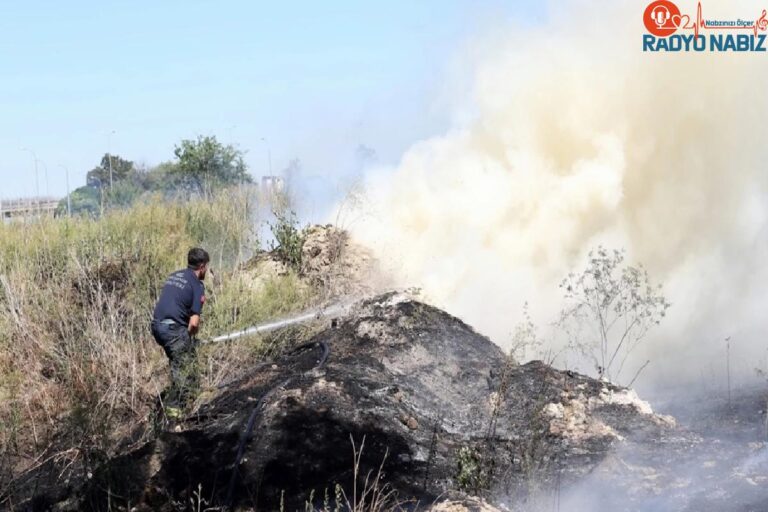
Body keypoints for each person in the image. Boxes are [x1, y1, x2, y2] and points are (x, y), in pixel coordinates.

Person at [151, 247, 210, 418]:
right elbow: (193, 323)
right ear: (202, 266)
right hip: (172, 330)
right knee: (182, 369)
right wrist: (190, 337)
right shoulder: (197, 285)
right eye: (206, 266)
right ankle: (174, 414)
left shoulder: (174, 275)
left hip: (157, 327)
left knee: (185, 359)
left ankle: (191, 401)